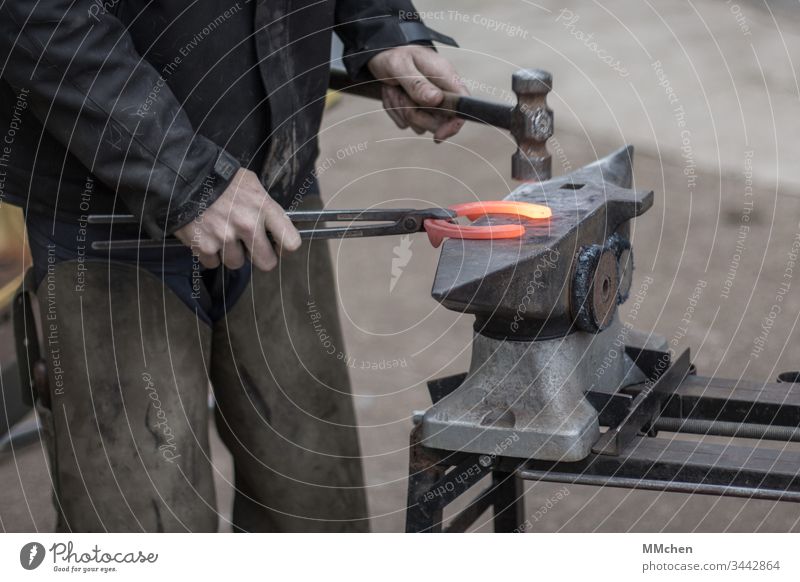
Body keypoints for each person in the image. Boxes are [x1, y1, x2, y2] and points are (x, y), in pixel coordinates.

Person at [0, 1, 467, 532]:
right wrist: (184, 175)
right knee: (140, 527)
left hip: (276, 182)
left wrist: (383, 28)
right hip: (103, 213)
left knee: (317, 509)